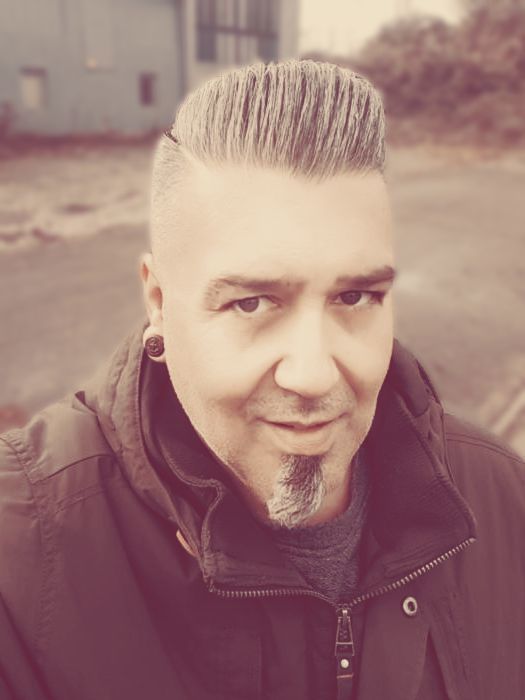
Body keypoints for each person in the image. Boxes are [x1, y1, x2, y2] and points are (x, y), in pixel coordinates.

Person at [0, 59, 523, 700]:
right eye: (251, 303)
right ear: (159, 302)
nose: (312, 374)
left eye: (355, 297)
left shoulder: (502, 499)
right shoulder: (21, 555)